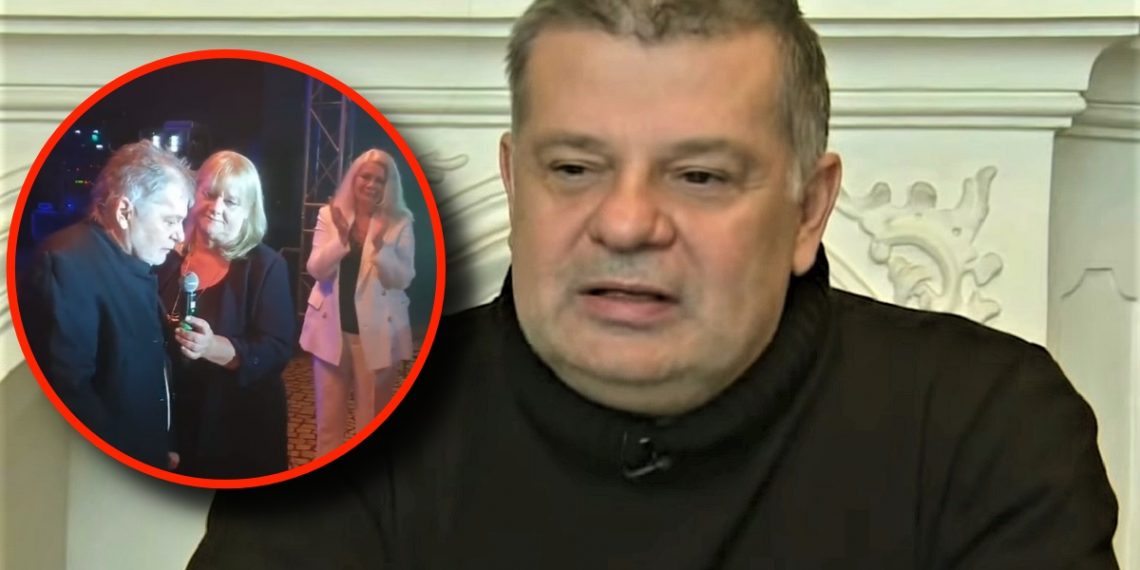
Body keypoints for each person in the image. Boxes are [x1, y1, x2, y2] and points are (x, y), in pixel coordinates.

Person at [189, 0, 1119, 567]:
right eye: (574, 169)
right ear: (514, 184)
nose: (628, 223)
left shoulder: (985, 422)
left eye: (700, 175)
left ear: (808, 209)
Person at [19, 140, 193, 470]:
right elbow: (70, 395)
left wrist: (161, 445)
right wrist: (138, 462)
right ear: (125, 211)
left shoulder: (134, 258)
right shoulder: (67, 263)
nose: (179, 236)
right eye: (170, 221)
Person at [156, 150, 295, 479]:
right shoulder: (165, 255)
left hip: (237, 427)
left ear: (248, 211)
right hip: (175, 420)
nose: (216, 207)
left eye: (231, 202)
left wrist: (212, 347)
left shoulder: (265, 266)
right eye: (209, 194)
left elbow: (276, 350)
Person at [298, 148, 416, 456]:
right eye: (366, 176)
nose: (372, 184)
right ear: (354, 178)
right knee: (328, 430)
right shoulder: (330, 215)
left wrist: (379, 247)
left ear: (389, 184)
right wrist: (342, 240)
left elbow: (403, 278)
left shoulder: (400, 220)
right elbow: (316, 269)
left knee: (371, 426)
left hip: (378, 336)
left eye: (380, 179)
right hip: (330, 334)